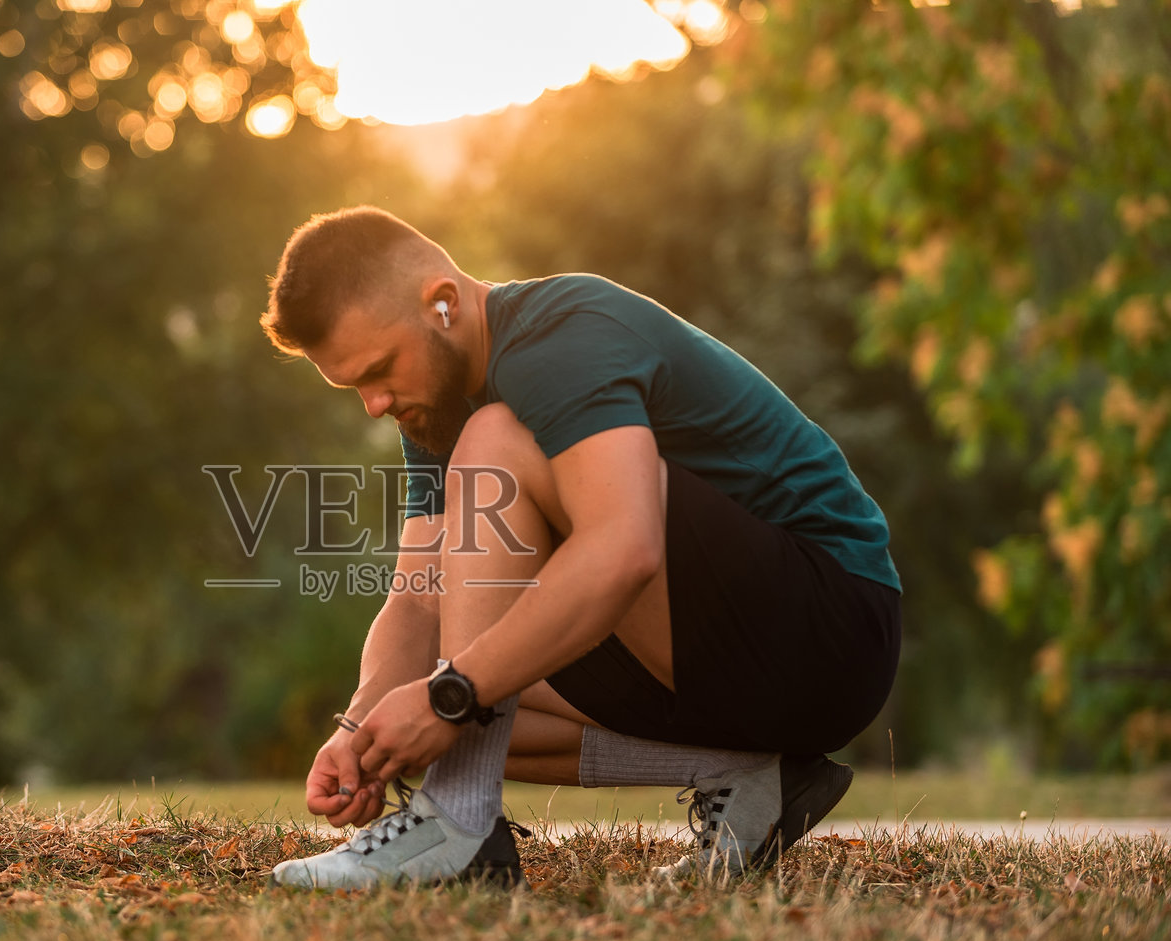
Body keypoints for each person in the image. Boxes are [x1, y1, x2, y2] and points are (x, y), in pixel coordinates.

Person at [259, 206, 901, 888]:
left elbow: (624, 550)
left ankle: (459, 827)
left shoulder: (557, 336)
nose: (375, 404)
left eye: (381, 370)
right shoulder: (434, 411)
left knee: (495, 458)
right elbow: (418, 604)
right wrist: (360, 732)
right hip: (722, 661)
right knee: (430, 707)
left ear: (443, 304)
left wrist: (450, 695)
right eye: (355, 386)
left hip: (830, 627)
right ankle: (755, 780)